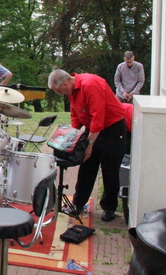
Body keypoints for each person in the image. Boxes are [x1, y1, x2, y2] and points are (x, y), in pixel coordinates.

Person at [48, 69, 126, 222]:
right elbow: (75, 113)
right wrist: (74, 136)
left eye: (58, 91)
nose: (61, 94)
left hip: (112, 128)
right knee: (87, 165)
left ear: (64, 83)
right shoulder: (72, 90)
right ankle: (78, 203)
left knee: (110, 168)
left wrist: (89, 144)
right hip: (94, 127)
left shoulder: (91, 84)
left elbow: (99, 117)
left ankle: (109, 207)